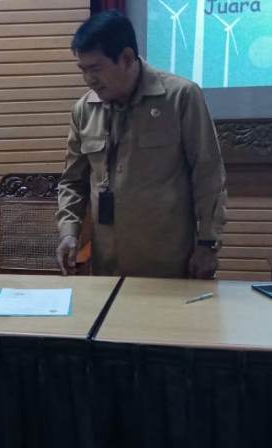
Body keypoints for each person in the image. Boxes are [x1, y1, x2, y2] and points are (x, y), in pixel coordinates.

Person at [55, 10, 228, 279]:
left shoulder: (180, 97)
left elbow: (207, 174)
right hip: (107, 265)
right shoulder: (84, 110)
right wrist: (68, 232)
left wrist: (208, 243)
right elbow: (72, 182)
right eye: (83, 70)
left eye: (96, 69)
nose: (89, 79)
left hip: (168, 264)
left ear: (126, 58)